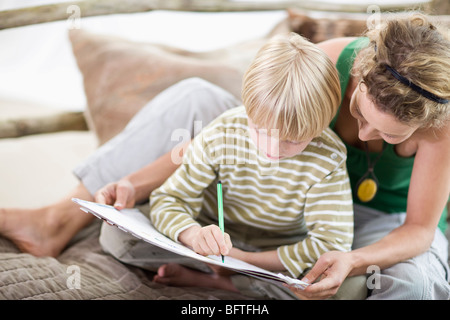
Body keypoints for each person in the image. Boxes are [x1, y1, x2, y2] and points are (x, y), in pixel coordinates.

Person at [1, 11, 449, 299]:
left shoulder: (440, 121)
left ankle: (230, 281)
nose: (365, 133)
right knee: (196, 97)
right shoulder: (331, 64)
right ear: (361, 73)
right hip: (288, 181)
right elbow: (231, 135)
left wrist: (351, 260)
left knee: (414, 284)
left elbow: (418, 230)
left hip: (377, 220)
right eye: (358, 112)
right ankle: (58, 218)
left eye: (389, 135)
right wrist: (137, 183)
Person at [98, 32, 361, 299]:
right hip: (211, 240)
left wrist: (246, 260)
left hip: (276, 256)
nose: (273, 149)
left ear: (320, 126)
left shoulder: (329, 156)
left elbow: (331, 243)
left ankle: (225, 282)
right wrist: (193, 235)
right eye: (261, 131)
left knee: (348, 290)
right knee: (114, 238)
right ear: (247, 107)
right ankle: (231, 277)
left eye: (293, 140)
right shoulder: (223, 132)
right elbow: (169, 199)